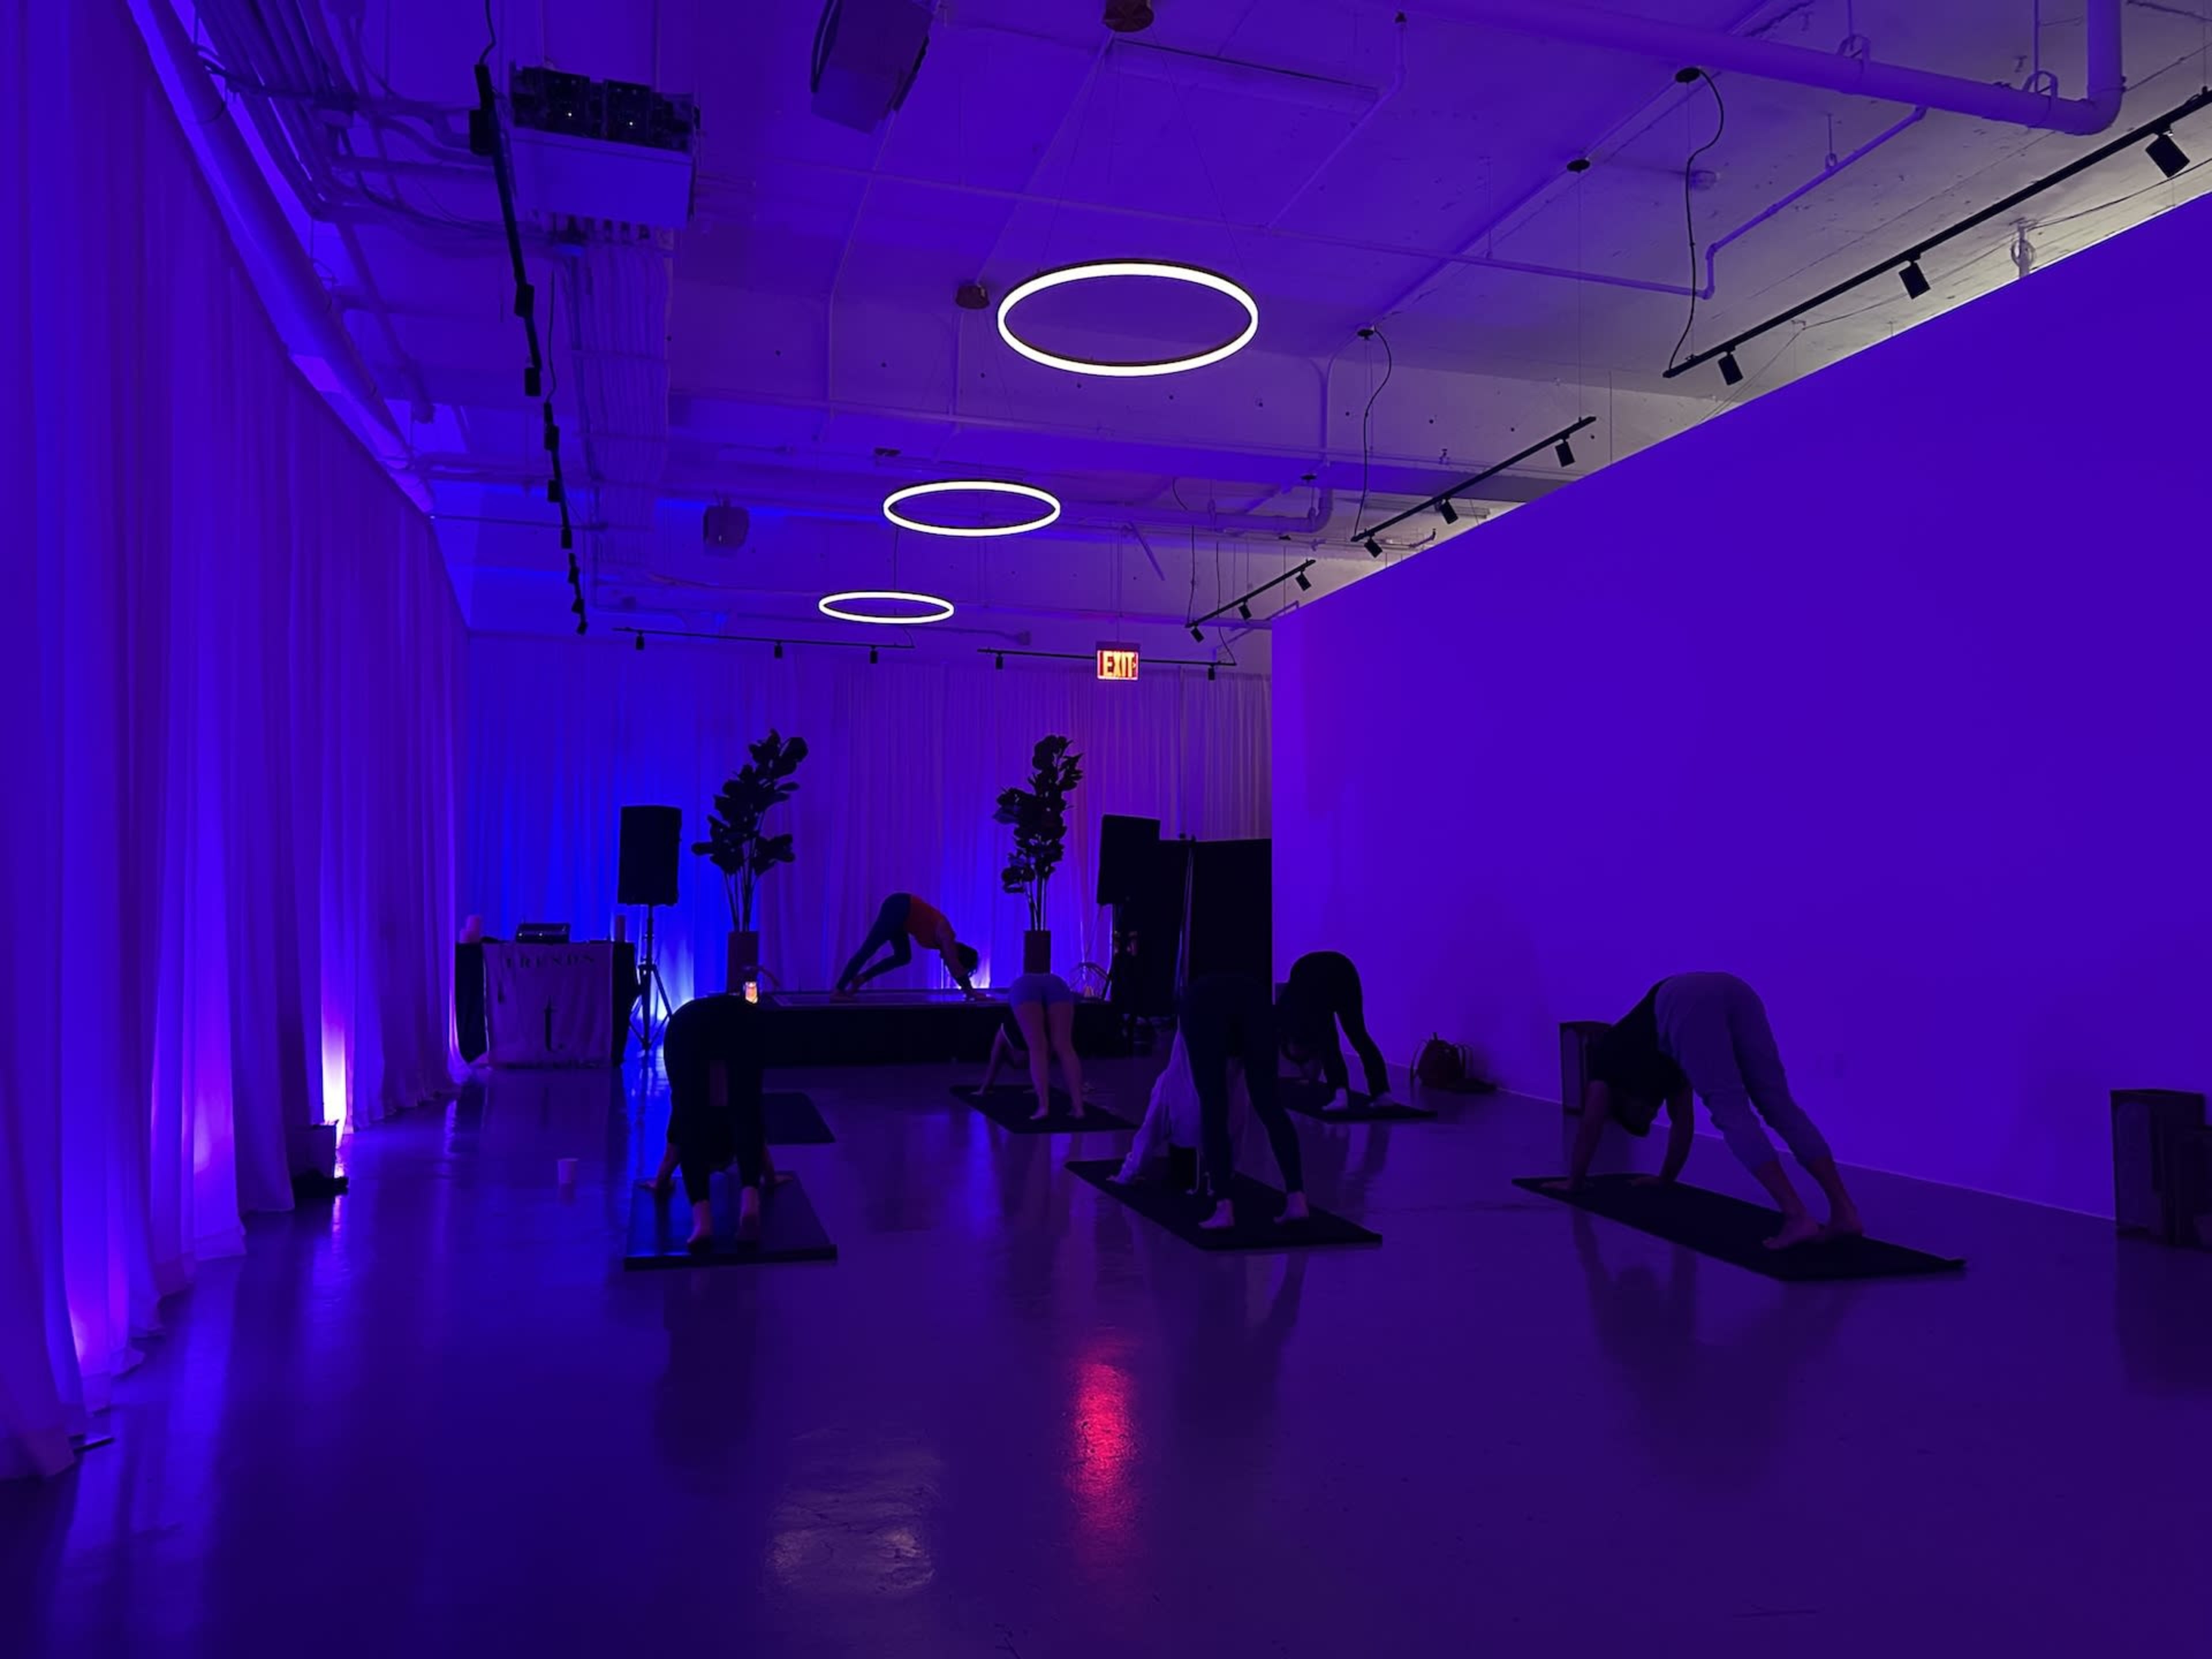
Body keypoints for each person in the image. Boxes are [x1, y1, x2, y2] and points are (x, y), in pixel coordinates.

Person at [1553, 972, 1865, 1250]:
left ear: (1623, 1103)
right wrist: (1665, 1179)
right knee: (1779, 1105)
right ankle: (1845, 1213)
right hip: (1732, 988)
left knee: (1731, 1110)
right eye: (1650, 1118)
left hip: (1680, 999)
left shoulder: (1607, 1060)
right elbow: (1683, 1124)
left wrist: (1575, 1181)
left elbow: (1590, 1124)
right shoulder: (1669, 1065)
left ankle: (1798, 1217)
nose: (1650, 1113)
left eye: (1643, 1115)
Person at [640, 994, 775, 1251]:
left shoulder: (698, 1131)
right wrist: (769, 1179)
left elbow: (676, 1148)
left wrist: (661, 1183)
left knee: (690, 1115)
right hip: (740, 1021)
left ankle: (703, 1224)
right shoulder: (738, 1133)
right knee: (745, 1107)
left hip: (692, 1025)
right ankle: (749, 1204)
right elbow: (755, 1136)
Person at [1180, 972, 1310, 1229]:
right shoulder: (1241, 990)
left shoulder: (1192, 1005)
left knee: (1213, 1107)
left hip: (1206, 1007)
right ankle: (1297, 1199)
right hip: (1255, 1002)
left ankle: (1223, 1207)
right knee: (1270, 1104)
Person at [1113, 1021, 1245, 1186]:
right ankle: (1218, 1180)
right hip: (1219, 1127)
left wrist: (1128, 1172)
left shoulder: (1172, 1082)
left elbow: (1150, 1129)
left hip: (1191, 1124)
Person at [1277, 950, 1400, 1111]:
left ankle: (1340, 1094)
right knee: (1359, 1035)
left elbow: (1319, 1045)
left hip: (1317, 976)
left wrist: (1309, 1077)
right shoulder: (1291, 1008)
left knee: (1328, 1041)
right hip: (1345, 970)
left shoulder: (1291, 1010)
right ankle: (1382, 1093)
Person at [974, 971, 1088, 1120]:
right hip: (1056, 983)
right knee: (1065, 1047)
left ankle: (1044, 1108)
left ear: (1014, 1054)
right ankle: (1078, 1108)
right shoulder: (1016, 1027)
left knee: (1038, 1047)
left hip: (1025, 987)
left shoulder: (1006, 1031)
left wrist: (984, 1088)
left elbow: (995, 1060)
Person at [832, 892, 984, 999]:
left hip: (902, 919)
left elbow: (953, 965)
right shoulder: (947, 936)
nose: (945, 963)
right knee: (868, 950)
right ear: (959, 956)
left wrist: (969, 990)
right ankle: (839, 990)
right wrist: (970, 991)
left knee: (903, 957)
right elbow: (954, 965)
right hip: (899, 905)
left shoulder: (942, 943)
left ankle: (861, 979)